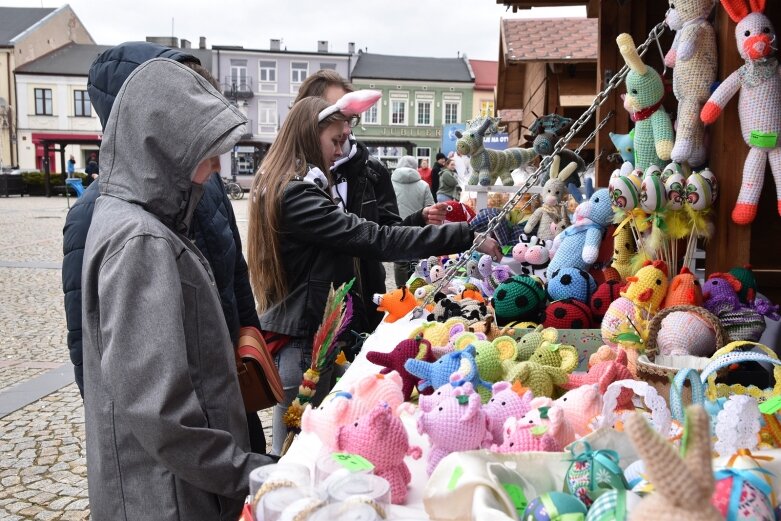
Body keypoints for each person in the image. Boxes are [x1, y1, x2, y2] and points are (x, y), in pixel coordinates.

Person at [247, 95, 501, 455]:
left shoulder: (291, 185)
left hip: (308, 338)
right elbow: (374, 237)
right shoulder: (297, 195)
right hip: (303, 346)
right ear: (308, 135)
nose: (340, 151)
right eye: (335, 141)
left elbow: (374, 231)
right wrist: (463, 236)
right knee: (299, 457)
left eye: (344, 141)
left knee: (302, 451)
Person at [81, 57, 272, 520]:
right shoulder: (140, 238)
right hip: (169, 496)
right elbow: (161, 413)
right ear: (165, 147)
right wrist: (248, 472)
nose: (215, 164)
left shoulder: (143, 220)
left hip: (175, 487)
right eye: (204, 149)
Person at [294, 70, 449, 340]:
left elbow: (384, 232)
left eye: (350, 117)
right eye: (337, 114)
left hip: (366, 301)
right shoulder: (295, 179)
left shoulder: (371, 169)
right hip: (314, 316)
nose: (344, 127)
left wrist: (418, 220)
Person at [391, 155, 435, 287]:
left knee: (399, 261)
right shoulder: (424, 185)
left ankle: (401, 291)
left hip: (397, 226)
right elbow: (430, 207)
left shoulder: (389, 184)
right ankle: (416, 291)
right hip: (418, 227)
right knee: (417, 261)